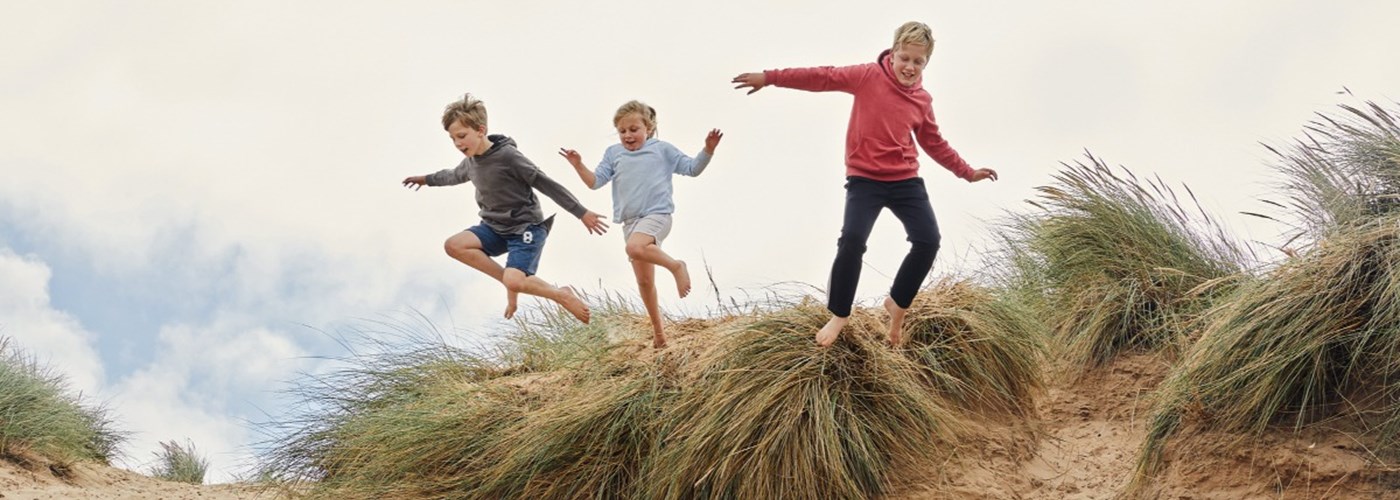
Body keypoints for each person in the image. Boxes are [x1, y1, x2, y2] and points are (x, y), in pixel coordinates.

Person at [731, 21, 998, 347]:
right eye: (905, 58)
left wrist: (967, 172)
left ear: (926, 62)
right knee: (853, 240)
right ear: (894, 52)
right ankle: (840, 314)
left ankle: (896, 305)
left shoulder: (922, 100)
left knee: (928, 241)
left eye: (918, 62)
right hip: (865, 180)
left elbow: (934, 142)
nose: (910, 67)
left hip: (905, 180)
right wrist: (771, 78)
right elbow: (823, 76)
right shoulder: (868, 76)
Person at [403, 93, 609, 323]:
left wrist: (581, 212)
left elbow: (545, 183)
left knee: (514, 279)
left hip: (526, 229)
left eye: (462, 136)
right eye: (453, 139)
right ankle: (512, 282)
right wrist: (425, 179)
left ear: (480, 130)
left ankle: (561, 294)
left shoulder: (508, 157)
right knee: (454, 245)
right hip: (494, 228)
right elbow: (451, 176)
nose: (458, 143)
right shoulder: (470, 163)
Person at [559, 100, 723, 348]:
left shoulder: (662, 149)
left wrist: (707, 150)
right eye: (622, 131)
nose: (628, 135)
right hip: (630, 223)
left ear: (648, 127)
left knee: (634, 248)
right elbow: (594, 182)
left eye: (634, 129)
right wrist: (578, 164)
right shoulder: (613, 154)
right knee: (645, 282)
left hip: (657, 215)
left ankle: (676, 266)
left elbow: (692, 168)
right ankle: (659, 335)